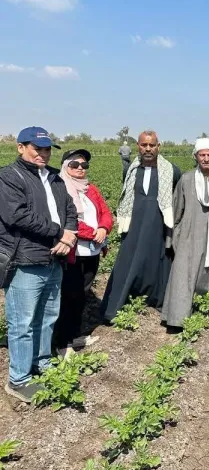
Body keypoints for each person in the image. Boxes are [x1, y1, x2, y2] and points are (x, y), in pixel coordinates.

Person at [0, 127, 78, 403]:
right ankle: (18, 379)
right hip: (25, 259)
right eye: (37, 148)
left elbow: (70, 210)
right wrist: (59, 233)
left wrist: (69, 237)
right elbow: (18, 216)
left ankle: (42, 364)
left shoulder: (55, 177)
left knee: (47, 318)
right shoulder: (9, 177)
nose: (43, 154)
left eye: (46, 149)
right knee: (22, 322)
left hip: (53, 258)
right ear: (21, 147)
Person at [100, 131, 181, 322]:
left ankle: (157, 298)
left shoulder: (172, 170)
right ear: (138, 146)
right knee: (129, 259)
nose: (148, 149)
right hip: (134, 223)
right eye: (144, 145)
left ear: (158, 147)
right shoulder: (130, 170)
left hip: (158, 223)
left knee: (158, 258)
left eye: (152, 145)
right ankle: (121, 301)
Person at [161, 139, 209, 328]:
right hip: (191, 233)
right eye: (202, 155)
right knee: (184, 271)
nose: (206, 159)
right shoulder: (187, 179)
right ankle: (177, 317)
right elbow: (177, 208)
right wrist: (175, 235)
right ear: (196, 156)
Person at [53, 149, 113, 358]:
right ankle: (62, 343)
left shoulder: (90, 189)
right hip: (72, 252)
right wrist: (92, 233)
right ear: (65, 166)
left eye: (84, 165)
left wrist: (104, 228)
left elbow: (105, 212)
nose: (80, 168)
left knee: (82, 295)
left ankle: (74, 335)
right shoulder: (59, 190)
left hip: (92, 251)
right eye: (74, 164)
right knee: (69, 296)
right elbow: (67, 221)